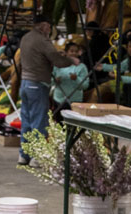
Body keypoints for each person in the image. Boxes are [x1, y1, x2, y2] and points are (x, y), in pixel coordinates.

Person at [18, 13, 77, 166]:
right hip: (37, 84)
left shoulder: (26, 38)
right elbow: (57, 61)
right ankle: (37, 157)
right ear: (44, 26)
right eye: (49, 27)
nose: (50, 30)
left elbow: (38, 56)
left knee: (26, 120)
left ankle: (24, 155)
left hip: (24, 83)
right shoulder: (43, 40)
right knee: (39, 121)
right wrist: (71, 60)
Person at [52, 43, 90, 109]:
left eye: (76, 51)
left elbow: (85, 86)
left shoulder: (82, 67)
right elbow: (49, 81)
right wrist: (55, 81)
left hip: (75, 101)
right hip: (59, 100)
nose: (74, 53)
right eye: (71, 51)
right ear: (66, 52)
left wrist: (76, 79)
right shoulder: (57, 65)